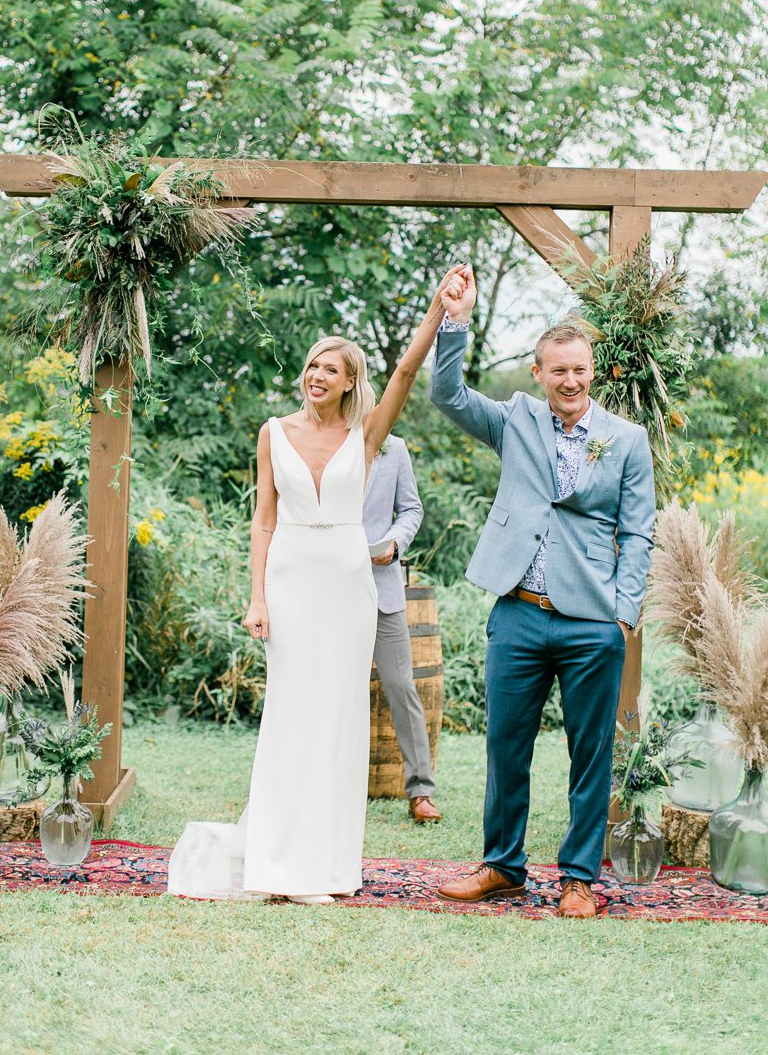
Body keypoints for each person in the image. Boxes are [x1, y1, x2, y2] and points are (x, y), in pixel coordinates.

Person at [167, 273, 459, 904]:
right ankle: (278, 862)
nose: (317, 375)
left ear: (350, 381)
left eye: (331, 368)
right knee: (291, 714)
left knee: (339, 720)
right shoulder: (274, 432)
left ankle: (327, 867)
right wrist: (257, 597)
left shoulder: (367, 436)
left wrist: (437, 308)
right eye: (311, 365)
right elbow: (263, 518)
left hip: (350, 581)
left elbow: (407, 371)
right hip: (293, 576)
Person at [431, 265, 655, 919]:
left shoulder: (625, 441)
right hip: (518, 616)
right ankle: (502, 866)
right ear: (538, 373)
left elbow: (640, 533)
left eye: (579, 370)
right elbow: (447, 394)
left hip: (592, 624)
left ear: (594, 371)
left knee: (590, 756)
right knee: (505, 746)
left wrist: (623, 614)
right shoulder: (515, 421)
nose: (570, 380)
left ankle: (578, 879)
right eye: (557, 370)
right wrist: (456, 321)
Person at [364, 436, 441, 822]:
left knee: (401, 686)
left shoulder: (393, 447)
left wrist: (394, 543)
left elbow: (411, 508)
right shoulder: (326, 437)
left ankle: (421, 790)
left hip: (382, 584)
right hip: (328, 589)